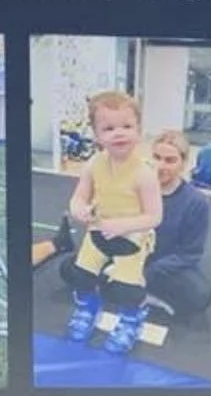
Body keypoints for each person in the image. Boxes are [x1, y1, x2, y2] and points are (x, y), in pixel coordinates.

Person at [65, 90, 163, 355]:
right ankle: (87, 309)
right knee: (82, 274)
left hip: (132, 237)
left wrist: (123, 225)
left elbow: (155, 217)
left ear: (139, 130)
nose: (119, 133)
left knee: (125, 287)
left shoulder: (144, 173)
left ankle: (132, 320)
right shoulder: (93, 164)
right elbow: (78, 198)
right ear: (97, 136)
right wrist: (80, 209)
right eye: (109, 128)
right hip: (99, 230)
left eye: (127, 126)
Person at [144, 131, 211, 321]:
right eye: (157, 157)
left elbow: (191, 253)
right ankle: (138, 290)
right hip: (133, 257)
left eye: (170, 160)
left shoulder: (196, 202)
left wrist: (148, 274)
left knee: (200, 295)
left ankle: (139, 289)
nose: (160, 166)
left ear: (183, 163)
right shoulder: (137, 189)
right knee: (71, 268)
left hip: (165, 266)